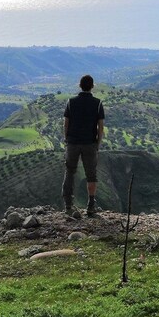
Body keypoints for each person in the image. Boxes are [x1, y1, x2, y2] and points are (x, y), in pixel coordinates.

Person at [62, 74, 105, 216]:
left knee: (70, 173)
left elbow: (66, 124)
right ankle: (91, 205)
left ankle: (68, 206)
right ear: (92, 86)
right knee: (91, 175)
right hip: (89, 143)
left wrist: (67, 139)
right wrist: (97, 144)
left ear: (79, 85)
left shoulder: (71, 102)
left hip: (73, 143)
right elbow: (100, 127)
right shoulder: (97, 103)